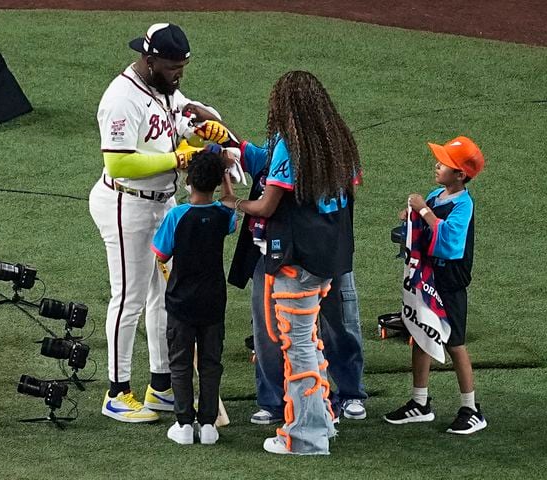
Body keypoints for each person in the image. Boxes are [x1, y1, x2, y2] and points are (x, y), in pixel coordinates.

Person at [89, 22, 229, 423]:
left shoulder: (163, 89)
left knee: (161, 297)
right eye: (172, 67)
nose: (178, 74)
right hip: (126, 203)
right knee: (128, 297)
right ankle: (117, 392)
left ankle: (161, 386)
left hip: (160, 205)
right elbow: (119, 162)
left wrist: (201, 125)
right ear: (150, 61)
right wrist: (177, 159)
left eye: (182, 66)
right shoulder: (121, 98)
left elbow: (177, 120)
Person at [222, 70, 361, 455]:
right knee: (311, 341)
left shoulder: (292, 145)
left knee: (298, 345)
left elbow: (267, 204)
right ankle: (323, 418)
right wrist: (238, 146)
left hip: (293, 264)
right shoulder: (338, 143)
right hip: (327, 260)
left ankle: (305, 436)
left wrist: (233, 203)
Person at [383, 135, 487, 435]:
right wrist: (412, 214)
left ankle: (471, 409)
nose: (437, 165)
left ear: (461, 175)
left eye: (445, 164)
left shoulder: (463, 205)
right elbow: (422, 224)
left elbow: (450, 244)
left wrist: (423, 211)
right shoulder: (436, 194)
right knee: (420, 333)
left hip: (449, 283)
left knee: (455, 344)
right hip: (427, 279)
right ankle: (419, 402)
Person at [150, 149, 237, 445]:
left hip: (181, 304)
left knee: (181, 364)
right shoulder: (223, 215)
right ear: (216, 182)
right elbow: (229, 203)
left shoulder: (177, 215)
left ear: (188, 180)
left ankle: (184, 424)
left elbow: (161, 253)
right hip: (213, 303)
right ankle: (209, 425)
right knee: (211, 364)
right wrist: (226, 177)